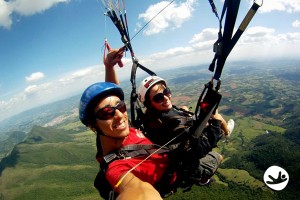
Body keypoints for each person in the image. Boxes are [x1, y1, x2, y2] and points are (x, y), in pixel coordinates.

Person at [138, 75, 235, 185]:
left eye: (166, 91)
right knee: (218, 153)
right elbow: (201, 149)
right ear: (150, 104)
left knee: (184, 107)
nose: (165, 98)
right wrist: (216, 123)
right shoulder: (172, 125)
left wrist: (184, 112)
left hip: (176, 151)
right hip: (186, 166)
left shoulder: (152, 117)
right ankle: (202, 178)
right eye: (158, 98)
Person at [79, 82, 169, 200]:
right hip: (177, 173)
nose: (120, 115)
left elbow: (110, 95)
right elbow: (138, 190)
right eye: (106, 113)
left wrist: (109, 67)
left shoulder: (123, 130)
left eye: (120, 106)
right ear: (93, 126)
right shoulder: (116, 168)